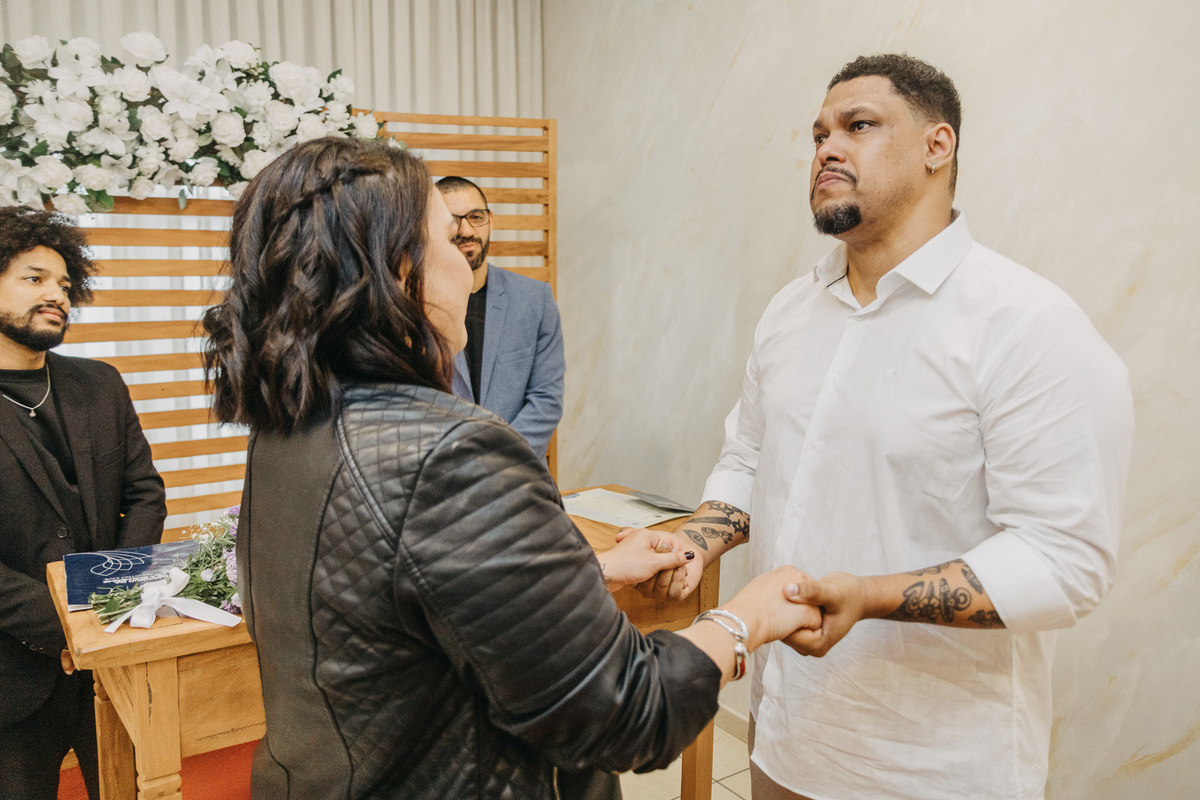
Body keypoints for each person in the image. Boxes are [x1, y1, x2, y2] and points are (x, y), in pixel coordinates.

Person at [202, 136, 824, 800]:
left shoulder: (288, 427)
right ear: (400, 271)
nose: (467, 262)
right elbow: (624, 712)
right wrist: (745, 618)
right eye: (448, 239)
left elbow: (395, 603)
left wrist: (588, 571)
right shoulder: (452, 455)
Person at [627, 54, 1134, 800]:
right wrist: (696, 541)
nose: (828, 148)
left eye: (858, 126)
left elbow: (1065, 560)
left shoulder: (1028, 326)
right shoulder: (789, 312)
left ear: (938, 145)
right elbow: (751, 457)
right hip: (784, 728)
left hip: (929, 764)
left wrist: (869, 595)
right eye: (819, 134)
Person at [0, 207, 166, 800]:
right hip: (12, 673)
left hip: (113, 660)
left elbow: (144, 494)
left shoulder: (100, 383)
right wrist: (66, 625)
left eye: (66, 285)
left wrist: (107, 607)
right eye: (34, 278)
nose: (57, 295)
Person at [435, 175, 564, 459]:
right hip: (443, 474)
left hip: (519, 473)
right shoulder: (412, 305)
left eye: (476, 217)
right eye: (453, 221)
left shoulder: (535, 300)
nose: (466, 230)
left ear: (491, 220)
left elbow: (546, 400)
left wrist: (497, 465)